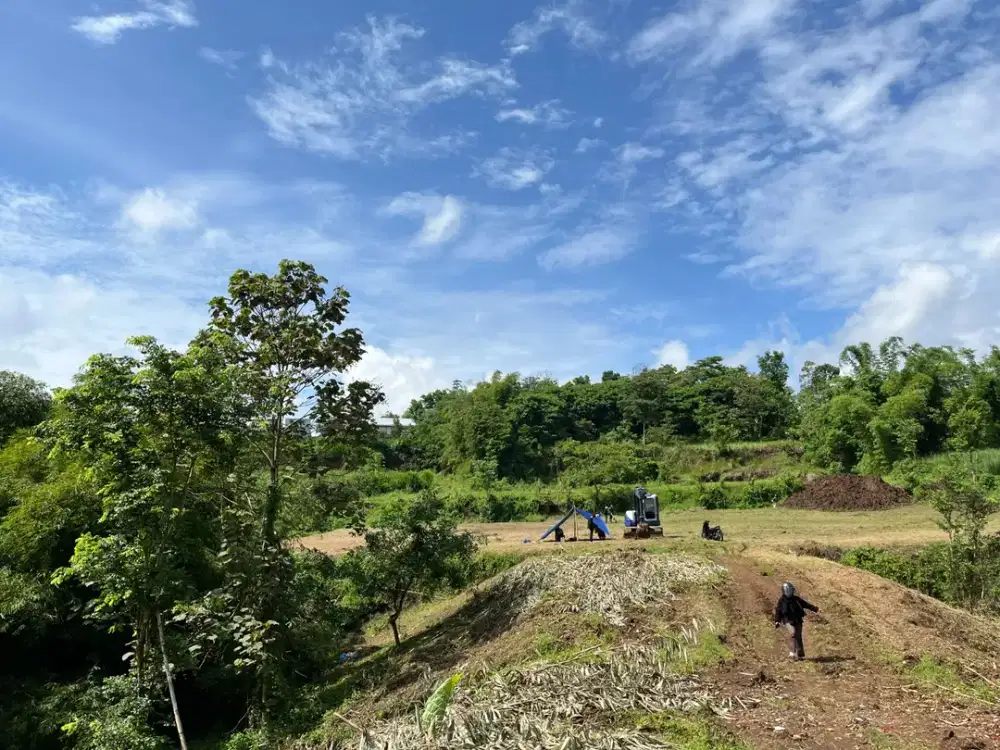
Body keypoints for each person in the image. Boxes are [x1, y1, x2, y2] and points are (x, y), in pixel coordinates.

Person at [774, 582, 819, 660]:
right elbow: (778, 611)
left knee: (798, 636)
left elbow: (805, 604)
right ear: (784, 591)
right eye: (788, 590)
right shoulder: (782, 600)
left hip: (798, 620)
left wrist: (815, 609)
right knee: (793, 634)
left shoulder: (796, 599)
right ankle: (792, 653)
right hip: (788, 621)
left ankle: (800, 655)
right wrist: (777, 621)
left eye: (791, 590)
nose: (790, 592)